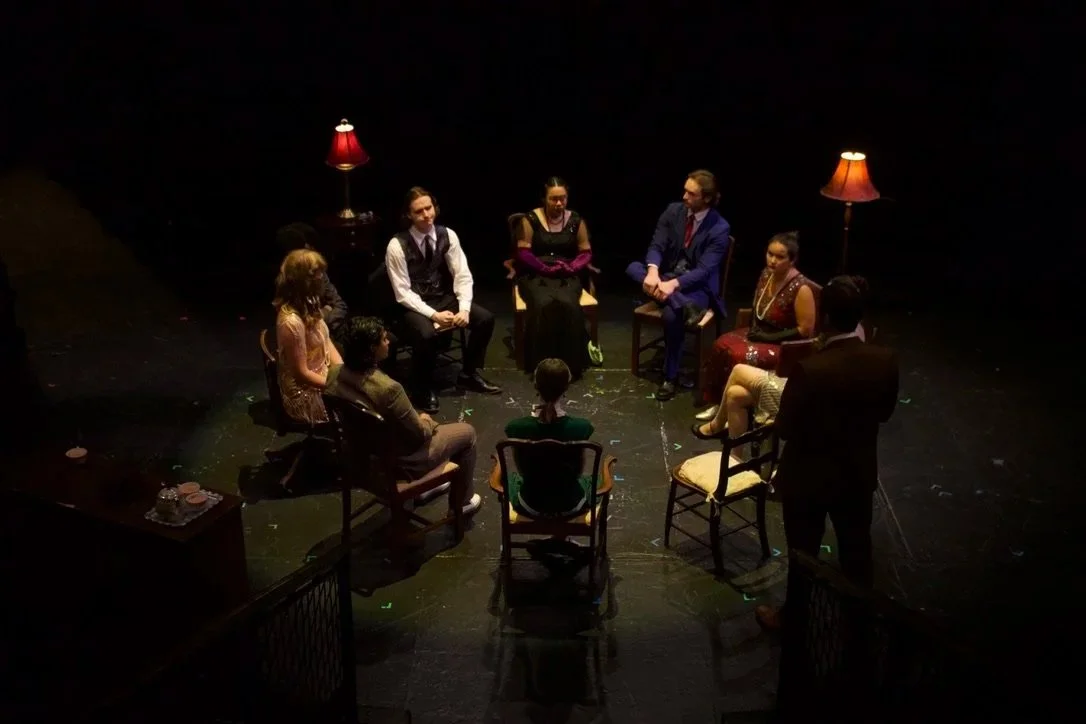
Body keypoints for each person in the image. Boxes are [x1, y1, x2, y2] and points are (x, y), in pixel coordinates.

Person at [753, 276, 898, 631]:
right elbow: (884, 413)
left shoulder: (810, 369)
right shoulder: (885, 360)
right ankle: (859, 623)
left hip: (809, 479)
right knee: (857, 551)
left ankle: (795, 620)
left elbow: (786, 429)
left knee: (803, 555)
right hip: (856, 474)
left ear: (826, 317)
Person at [325, 316, 483, 516]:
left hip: (359, 457)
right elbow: (419, 435)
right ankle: (462, 503)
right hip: (400, 464)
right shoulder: (389, 389)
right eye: (384, 339)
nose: (389, 341)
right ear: (372, 349)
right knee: (467, 433)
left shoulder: (334, 374)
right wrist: (426, 420)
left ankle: (425, 489)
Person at [385, 187, 501, 414]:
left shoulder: (447, 235)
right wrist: (434, 315)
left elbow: (462, 274)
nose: (426, 215)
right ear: (409, 215)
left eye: (428, 208)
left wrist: (464, 309)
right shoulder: (397, 245)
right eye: (419, 211)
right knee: (426, 334)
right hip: (412, 305)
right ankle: (421, 387)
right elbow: (402, 292)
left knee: (485, 319)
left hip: (440, 296)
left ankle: (468, 373)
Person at [626, 170, 731, 401]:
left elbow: (704, 271)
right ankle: (683, 305)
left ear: (707, 198)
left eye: (691, 194)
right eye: (685, 191)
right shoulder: (673, 211)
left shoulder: (719, 227)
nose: (684, 197)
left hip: (696, 286)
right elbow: (657, 245)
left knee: (672, 315)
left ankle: (670, 376)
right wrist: (653, 272)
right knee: (634, 268)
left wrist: (673, 285)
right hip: (666, 278)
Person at [697, 232, 816, 418]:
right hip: (761, 334)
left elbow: (804, 330)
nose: (773, 260)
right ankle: (718, 402)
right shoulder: (766, 274)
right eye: (770, 254)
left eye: (780, 257)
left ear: (792, 260)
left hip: (783, 344)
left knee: (740, 355)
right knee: (721, 345)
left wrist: (768, 338)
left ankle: (731, 410)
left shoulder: (802, 288)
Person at [515, 177, 594, 379]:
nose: (559, 203)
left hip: (566, 274)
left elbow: (585, 251)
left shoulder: (575, 220)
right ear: (544, 199)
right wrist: (543, 267)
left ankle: (569, 365)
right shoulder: (530, 219)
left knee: (569, 304)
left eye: (563, 198)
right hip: (535, 274)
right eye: (553, 199)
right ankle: (540, 365)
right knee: (542, 304)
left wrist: (572, 267)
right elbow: (523, 252)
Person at [504, 358, 596, 518]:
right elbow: (579, 471)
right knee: (594, 480)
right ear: (566, 387)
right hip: (571, 503)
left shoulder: (516, 427)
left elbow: (521, 470)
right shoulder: (582, 427)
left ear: (536, 386)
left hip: (531, 503)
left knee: (511, 479)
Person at [273, 248, 343, 425]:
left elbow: (326, 341)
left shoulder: (310, 302)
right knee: (360, 405)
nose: (321, 277)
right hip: (305, 392)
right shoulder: (290, 322)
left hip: (322, 373)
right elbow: (302, 374)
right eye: (316, 273)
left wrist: (341, 372)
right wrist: (336, 386)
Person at [275, 222, 349, 345]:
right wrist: (326, 310)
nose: (320, 276)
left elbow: (340, 306)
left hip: (328, 335)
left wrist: (318, 319)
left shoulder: (318, 272)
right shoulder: (290, 314)